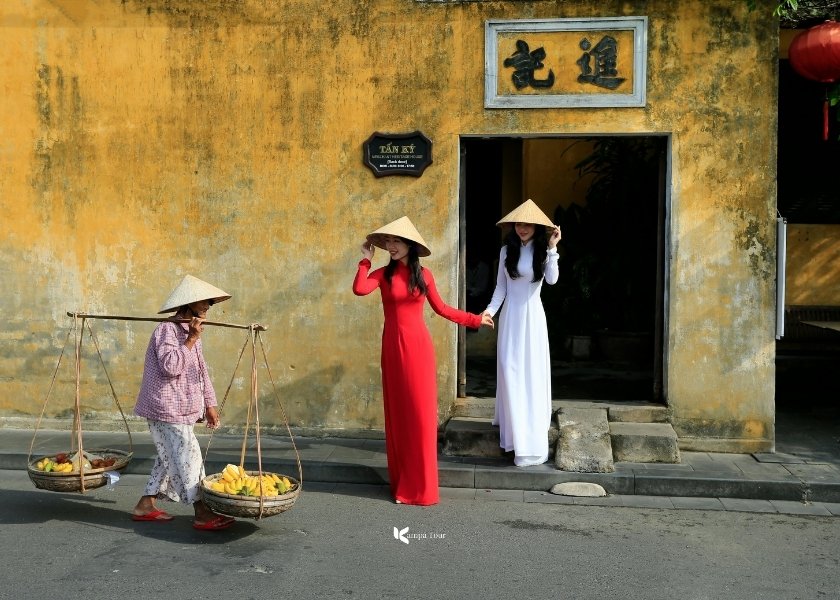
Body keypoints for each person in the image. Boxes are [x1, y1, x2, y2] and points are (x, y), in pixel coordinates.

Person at [353, 216, 494, 505]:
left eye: (397, 241)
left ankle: (422, 489)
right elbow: (359, 289)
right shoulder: (383, 274)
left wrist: (475, 319)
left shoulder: (424, 275)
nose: (391, 246)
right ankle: (403, 485)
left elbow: (441, 308)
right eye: (389, 241)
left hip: (418, 349)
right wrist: (365, 261)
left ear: (410, 245)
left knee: (420, 417)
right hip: (392, 349)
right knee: (399, 417)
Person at [132, 274, 236, 530]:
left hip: (184, 406)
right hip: (166, 406)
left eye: (210, 303)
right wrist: (190, 339)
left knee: (168, 457)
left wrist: (209, 404)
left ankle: (145, 505)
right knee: (188, 456)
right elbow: (171, 367)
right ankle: (202, 512)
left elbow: (200, 371)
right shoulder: (167, 330)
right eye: (203, 302)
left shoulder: (192, 332)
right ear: (188, 304)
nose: (208, 307)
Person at [482, 200, 562, 467]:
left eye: (527, 224)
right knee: (508, 369)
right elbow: (501, 289)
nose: (522, 228)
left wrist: (553, 249)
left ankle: (528, 436)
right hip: (511, 319)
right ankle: (512, 432)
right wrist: (489, 312)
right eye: (518, 223)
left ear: (537, 227)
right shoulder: (507, 251)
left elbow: (552, 281)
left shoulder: (542, 250)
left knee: (530, 373)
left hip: (533, 318)